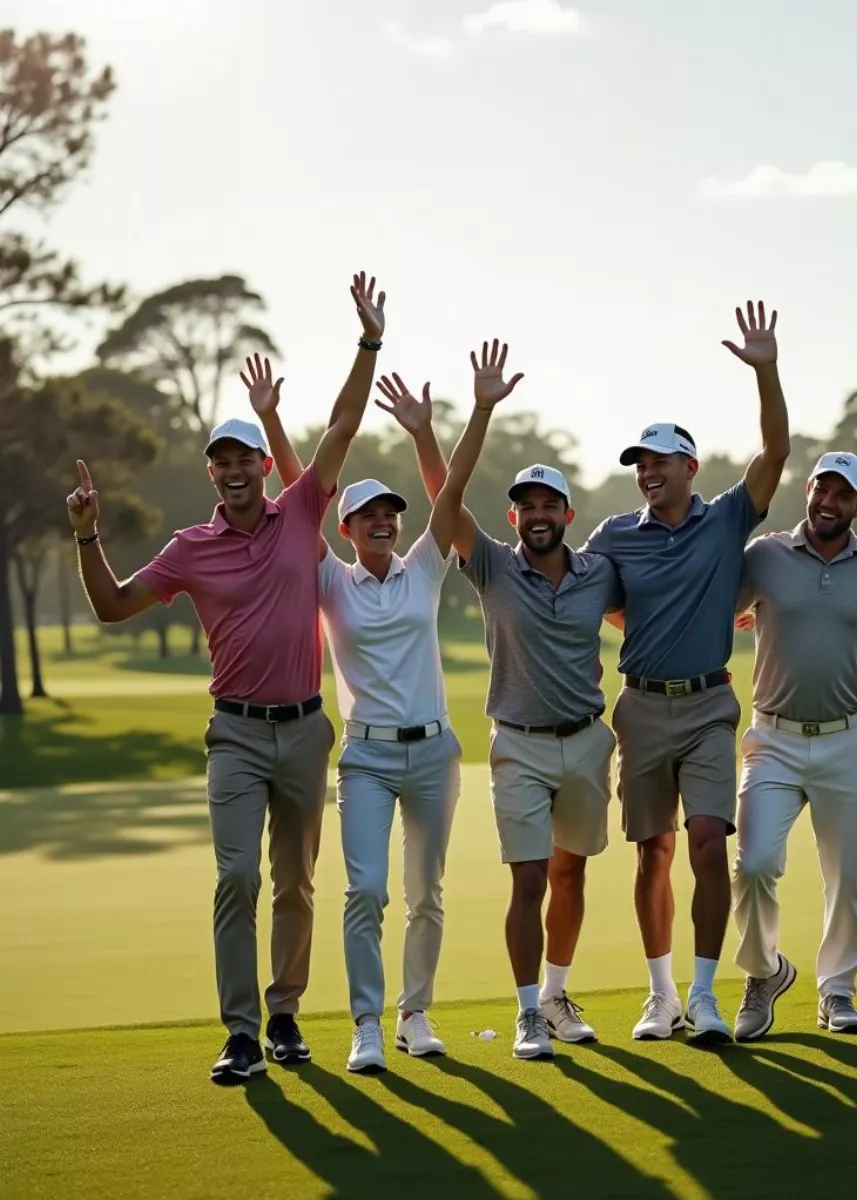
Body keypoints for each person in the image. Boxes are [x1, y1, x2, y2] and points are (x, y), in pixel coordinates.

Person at [66, 272, 388, 1084]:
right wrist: (87, 535)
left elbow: (344, 425)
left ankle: (284, 1017)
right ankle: (241, 1032)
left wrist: (369, 342)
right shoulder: (187, 548)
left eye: (245, 455)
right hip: (236, 733)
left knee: (295, 882)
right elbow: (110, 608)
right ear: (212, 474)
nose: (236, 468)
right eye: (222, 460)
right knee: (237, 874)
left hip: (308, 727)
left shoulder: (306, 507)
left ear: (258, 464)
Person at [247, 340, 516, 1072]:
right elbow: (305, 485)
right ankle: (366, 1023)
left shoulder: (426, 567)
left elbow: (452, 489)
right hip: (365, 755)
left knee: (425, 893)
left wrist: (475, 412)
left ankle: (414, 1014)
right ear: (346, 527)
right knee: (364, 889)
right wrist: (272, 422)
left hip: (434, 752)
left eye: (390, 513)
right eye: (367, 513)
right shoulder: (332, 581)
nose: (382, 521)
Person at [583, 301, 790, 1046]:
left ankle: (705, 996)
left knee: (707, 841)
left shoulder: (728, 518)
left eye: (657, 461)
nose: (645, 472)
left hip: (708, 707)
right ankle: (661, 995)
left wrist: (766, 370)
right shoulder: (613, 536)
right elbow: (595, 600)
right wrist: (650, 628)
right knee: (653, 852)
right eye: (638, 463)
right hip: (638, 709)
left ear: (689, 468)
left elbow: (775, 451)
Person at [445, 424, 622, 1059]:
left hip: (586, 740)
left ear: (568, 514)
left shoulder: (599, 574)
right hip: (518, 743)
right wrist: (469, 415)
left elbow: (649, 611)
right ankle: (526, 1013)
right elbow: (446, 495)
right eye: (529, 506)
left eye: (551, 505)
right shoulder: (492, 563)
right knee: (529, 878)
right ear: (513, 515)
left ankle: (555, 996)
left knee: (569, 873)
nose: (539, 515)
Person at [730, 452, 857, 1040]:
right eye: (821, 490)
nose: (829, 502)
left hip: (847, 739)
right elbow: (713, 612)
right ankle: (764, 973)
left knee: (846, 873)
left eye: (842, 495)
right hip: (772, 737)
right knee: (752, 864)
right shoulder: (765, 555)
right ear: (808, 491)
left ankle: (839, 992)